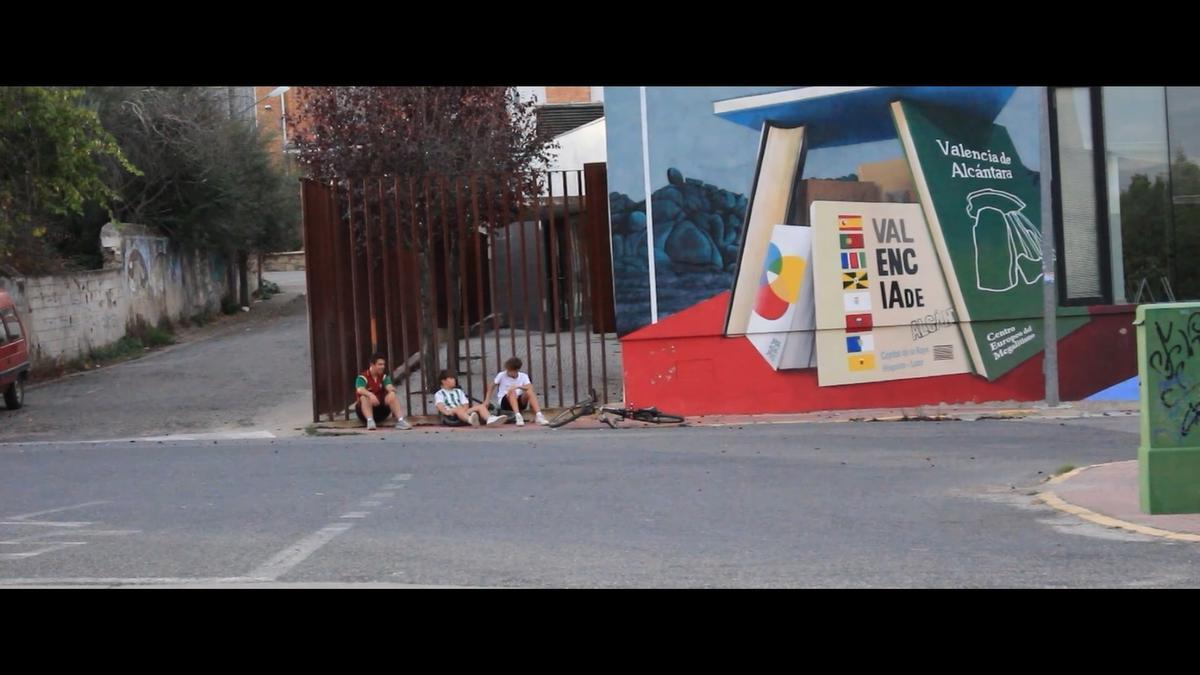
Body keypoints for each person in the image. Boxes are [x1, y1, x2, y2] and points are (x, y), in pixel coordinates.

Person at [354, 352, 412, 430]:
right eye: (380, 364)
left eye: (383, 364)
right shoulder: (362, 377)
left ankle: (401, 421)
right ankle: (370, 421)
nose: (382, 367)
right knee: (364, 397)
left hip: (381, 411)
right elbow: (360, 389)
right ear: (372, 365)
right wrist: (370, 395)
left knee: (392, 395)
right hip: (364, 413)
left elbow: (389, 386)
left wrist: (391, 391)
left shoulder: (384, 377)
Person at [484, 357, 548, 426]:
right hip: (505, 402)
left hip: (519, 401)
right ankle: (518, 416)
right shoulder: (501, 375)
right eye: (508, 370)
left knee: (529, 392)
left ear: (516, 370)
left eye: (510, 371)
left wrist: (518, 386)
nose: (508, 372)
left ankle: (539, 415)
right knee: (512, 391)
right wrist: (487, 400)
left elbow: (530, 387)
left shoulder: (523, 376)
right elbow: (491, 386)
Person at [435, 370, 501, 427]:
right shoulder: (440, 393)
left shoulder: (458, 391)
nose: (454, 380)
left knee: (481, 406)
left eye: (454, 379)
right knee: (458, 408)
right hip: (451, 412)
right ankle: (470, 420)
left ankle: (490, 419)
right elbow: (440, 405)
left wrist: (464, 410)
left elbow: (465, 404)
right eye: (451, 378)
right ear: (443, 381)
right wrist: (447, 412)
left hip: (462, 411)